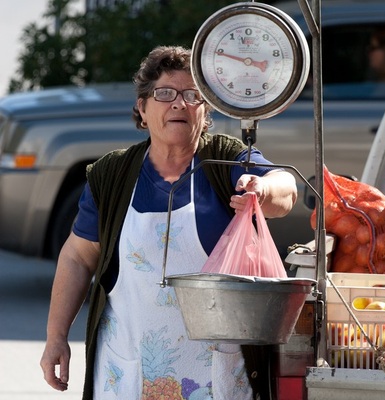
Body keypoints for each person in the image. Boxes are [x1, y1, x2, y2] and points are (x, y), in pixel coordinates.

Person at [40, 45, 297, 400]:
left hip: (216, 377)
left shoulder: (224, 160)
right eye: (164, 94)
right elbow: (78, 257)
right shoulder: (112, 174)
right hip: (129, 371)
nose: (179, 103)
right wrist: (56, 337)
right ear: (142, 109)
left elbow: (286, 188)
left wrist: (263, 188)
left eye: (193, 95)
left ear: (205, 112)